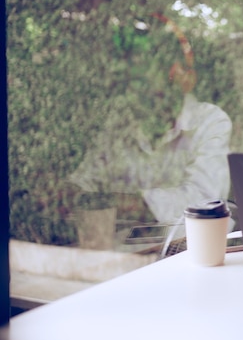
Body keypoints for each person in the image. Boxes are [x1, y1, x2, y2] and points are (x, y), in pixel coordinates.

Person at [68, 18, 232, 235]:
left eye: (137, 61)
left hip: (189, 257)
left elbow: (205, 205)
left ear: (172, 71)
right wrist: (67, 194)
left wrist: (125, 204)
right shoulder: (122, 123)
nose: (125, 72)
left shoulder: (210, 121)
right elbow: (87, 183)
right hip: (120, 257)